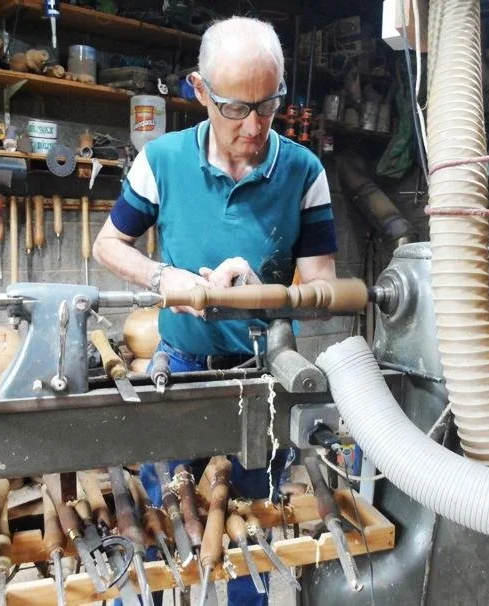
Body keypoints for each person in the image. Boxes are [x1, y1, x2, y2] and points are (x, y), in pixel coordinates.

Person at [93, 15, 337, 606]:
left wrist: (262, 291)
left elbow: (324, 288)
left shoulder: (304, 172)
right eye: (234, 108)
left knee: (250, 534)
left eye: (269, 106)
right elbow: (106, 245)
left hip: (263, 378)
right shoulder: (164, 160)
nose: (254, 126)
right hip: (177, 370)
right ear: (200, 91)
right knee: (166, 527)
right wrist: (164, 277)